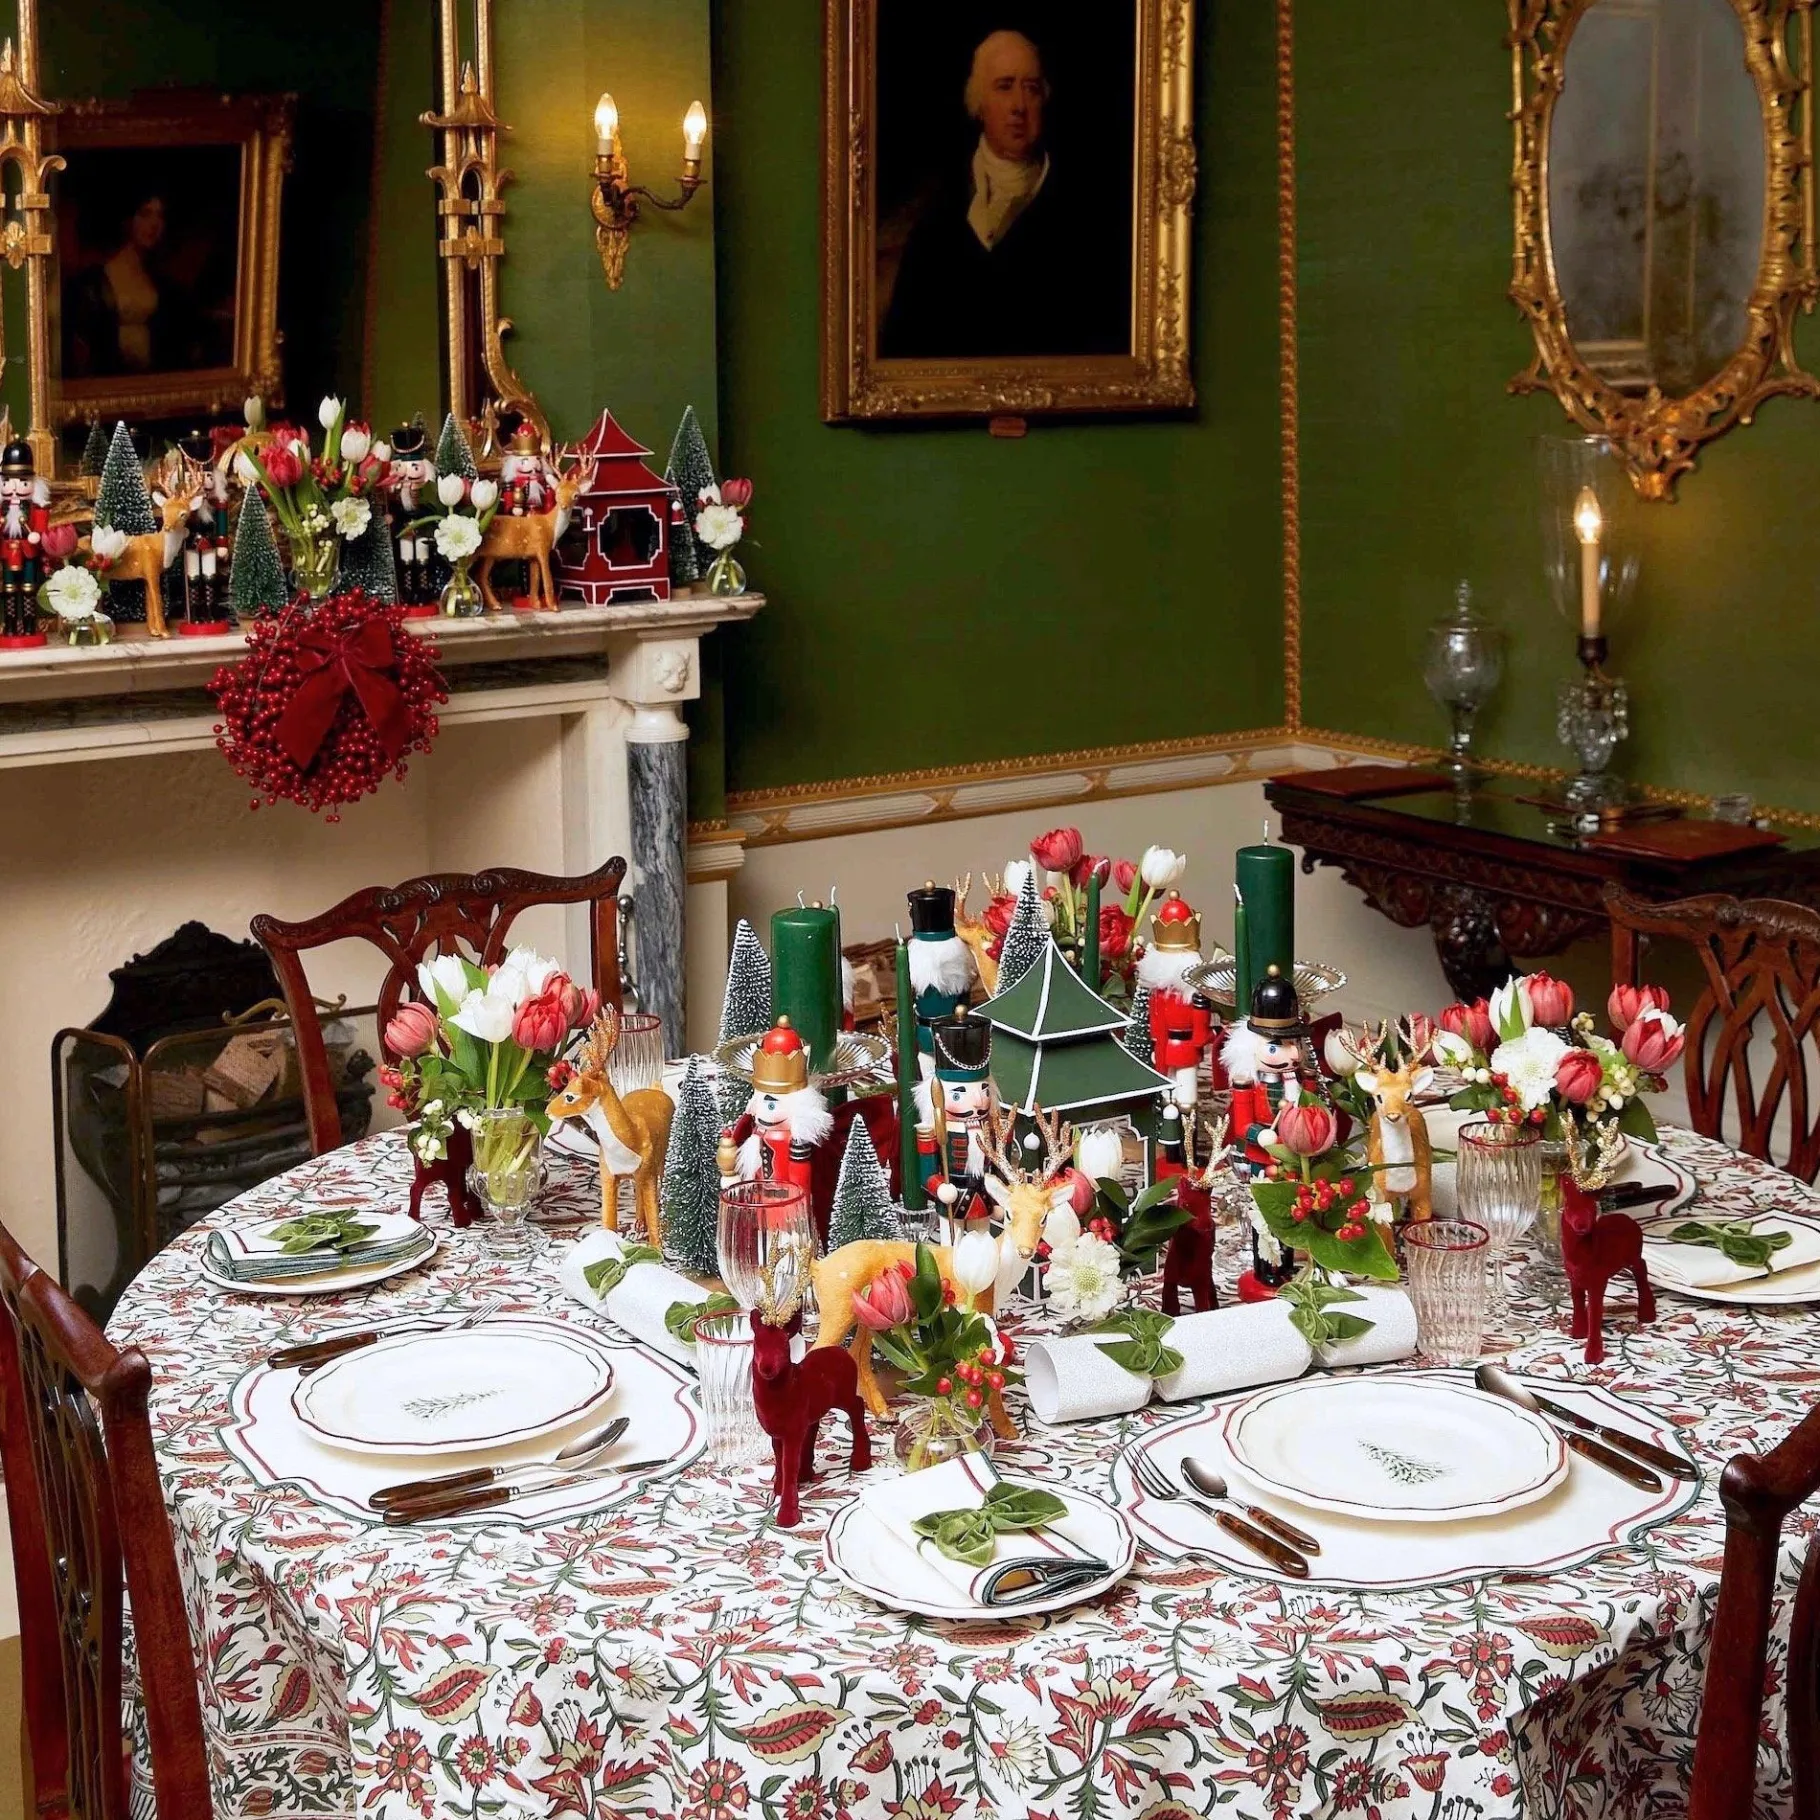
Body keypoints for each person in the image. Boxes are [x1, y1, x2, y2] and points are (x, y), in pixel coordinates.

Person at [880, 28, 1127, 359]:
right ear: (979, 103)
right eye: (1004, 86)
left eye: (1031, 89)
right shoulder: (937, 213)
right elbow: (904, 348)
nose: (1019, 106)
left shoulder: (1083, 216)